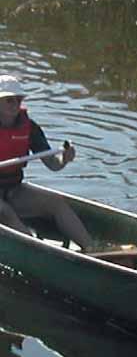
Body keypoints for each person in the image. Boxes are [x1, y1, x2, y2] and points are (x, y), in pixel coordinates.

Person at [0, 75, 93, 251]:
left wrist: (64, 159)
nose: (15, 105)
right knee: (4, 212)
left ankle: (91, 250)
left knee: (56, 203)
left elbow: (53, 164)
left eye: (18, 100)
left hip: (13, 189)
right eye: (8, 100)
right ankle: (39, 253)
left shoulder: (29, 127)